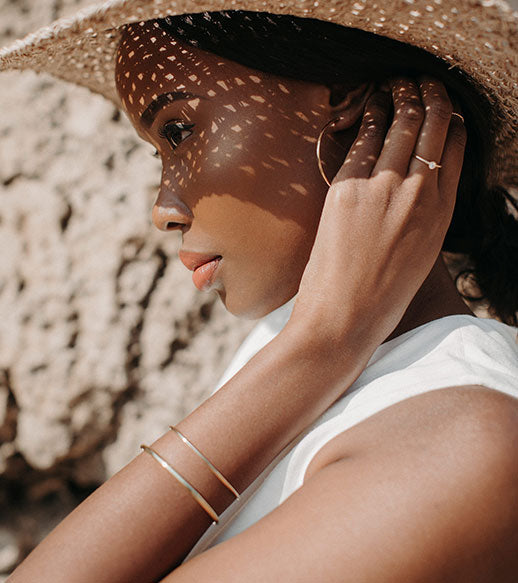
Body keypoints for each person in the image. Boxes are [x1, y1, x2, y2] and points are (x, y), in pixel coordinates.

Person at [2, 2, 518, 582]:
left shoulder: (463, 452)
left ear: (346, 99)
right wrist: (315, 347)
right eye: (158, 152)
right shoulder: (295, 348)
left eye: (179, 130)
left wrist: (320, 348)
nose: (162, 209)